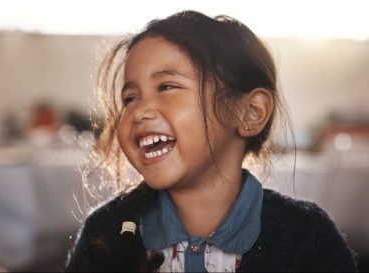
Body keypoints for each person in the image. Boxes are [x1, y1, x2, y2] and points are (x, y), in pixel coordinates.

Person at [65, 11, 356, 272]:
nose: (138, 111)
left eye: (166, 86)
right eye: (129, 98)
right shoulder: (105, 232)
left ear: (250, 112)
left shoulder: (307, 237)